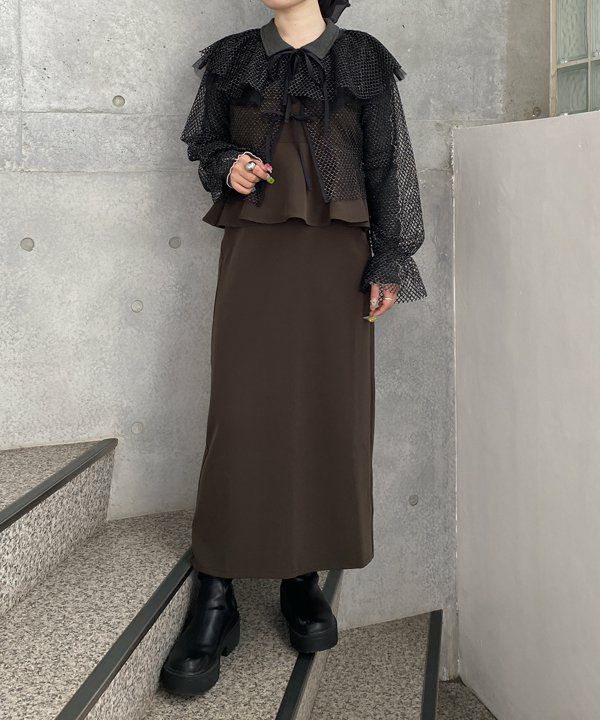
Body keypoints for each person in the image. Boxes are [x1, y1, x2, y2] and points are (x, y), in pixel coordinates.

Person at [161, 0, 427, 696]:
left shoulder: (363, 57)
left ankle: (301, 577)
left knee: (326, 409)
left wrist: (391, 258)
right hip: (256, 252)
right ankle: (215, 587)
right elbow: (205, 144)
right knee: (242, 411)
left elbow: (389, 164)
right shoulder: (232, 57)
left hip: (337, 261)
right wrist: (228, 166)